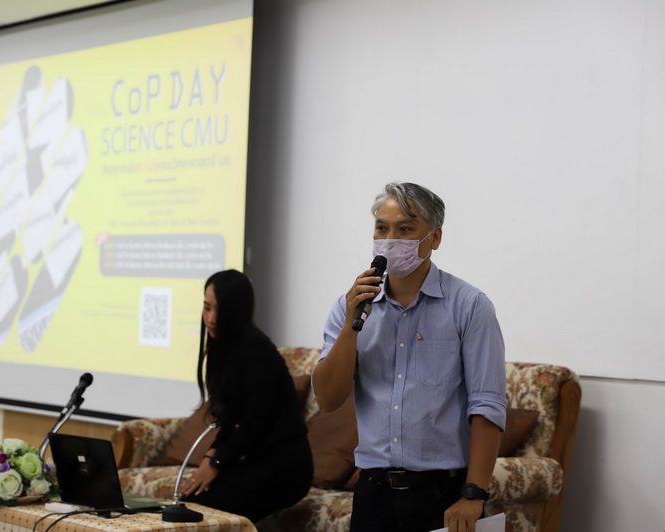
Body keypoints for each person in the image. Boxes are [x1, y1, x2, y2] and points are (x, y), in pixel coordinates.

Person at [312, 182, 506, 532]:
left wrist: (474, 493)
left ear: (435, 237)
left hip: (442, 492)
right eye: (381, 228)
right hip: (373, 492)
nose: (390, 240)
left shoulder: (469, 305)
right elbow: (328, 399)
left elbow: (486, 403)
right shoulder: (349, 305)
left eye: (405, 229)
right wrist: (351, 327)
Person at [181, 269, 314, 523]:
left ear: (237, 310)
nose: (211, 318)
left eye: (219, 310)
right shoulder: (226, 348)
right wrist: (211, 457)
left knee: (200, 510)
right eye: (206, 308)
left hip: (285, 468)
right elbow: (230, 419)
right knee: (192, 499)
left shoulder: (256, 349)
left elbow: (256, 422)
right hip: (259, 461)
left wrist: (217, 461)